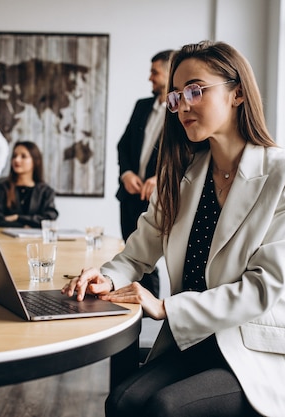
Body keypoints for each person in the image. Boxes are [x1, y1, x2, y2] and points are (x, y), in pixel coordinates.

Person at [63, 41, 285, 417]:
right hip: (193, 339)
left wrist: (162, 307)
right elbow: (136, 255)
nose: (182, 105)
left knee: (163, 407)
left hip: (255, 347)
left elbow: (262, 287)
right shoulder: (182, 176)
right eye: (176, 96)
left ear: (237, 92)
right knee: (122, 401)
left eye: (195, 90)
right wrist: (106, 278)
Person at [116, 49, 174, 298]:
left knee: (148, 262)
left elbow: (186, 153)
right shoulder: (141, 106)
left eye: (155, 72)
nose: (150, 77)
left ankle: (148, 315)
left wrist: (162, 177)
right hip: (130, 195)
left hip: (157, 197)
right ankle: (131, 306)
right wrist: (126, 173)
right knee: (129, 254)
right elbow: (123, 145)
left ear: (170, 72)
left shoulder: (180, 110)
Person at [0, 141, 58, 228]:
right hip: (4, 239)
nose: (17, 160)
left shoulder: (45, 191)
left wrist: (17, 217)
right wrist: (24, 225)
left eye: (23, 156)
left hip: (35, 240)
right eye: (14, 156)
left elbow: (49, 218)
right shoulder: (0, 188)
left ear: (36, 161)